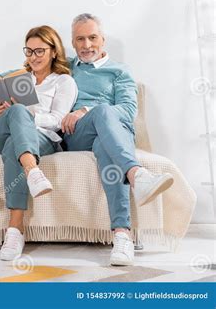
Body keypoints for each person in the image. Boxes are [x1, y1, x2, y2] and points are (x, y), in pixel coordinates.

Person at [62, 13, 174, 266]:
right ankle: (137, 175)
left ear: (103, 39)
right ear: (73, 42)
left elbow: (127, 111)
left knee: (106, 144)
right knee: (101, 113)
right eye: (80, 39)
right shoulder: (65, 68)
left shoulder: (120, 71)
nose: (87, 44)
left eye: (92, 37)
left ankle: (122, 236)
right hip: (77, 135)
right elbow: (30, 68)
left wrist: (86, 110)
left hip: (112, 135)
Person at [0, 26, 78, 260]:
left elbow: (57, 121)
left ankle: (15, 230)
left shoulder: (63, 81)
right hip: (1, 134)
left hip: (41, 137)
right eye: (29, 51)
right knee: (15, 111)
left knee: (13, 144)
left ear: (54, 51)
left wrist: (27, 115)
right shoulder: (17, 78)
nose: (33, 57)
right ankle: (32, 171)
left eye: (39, 51)